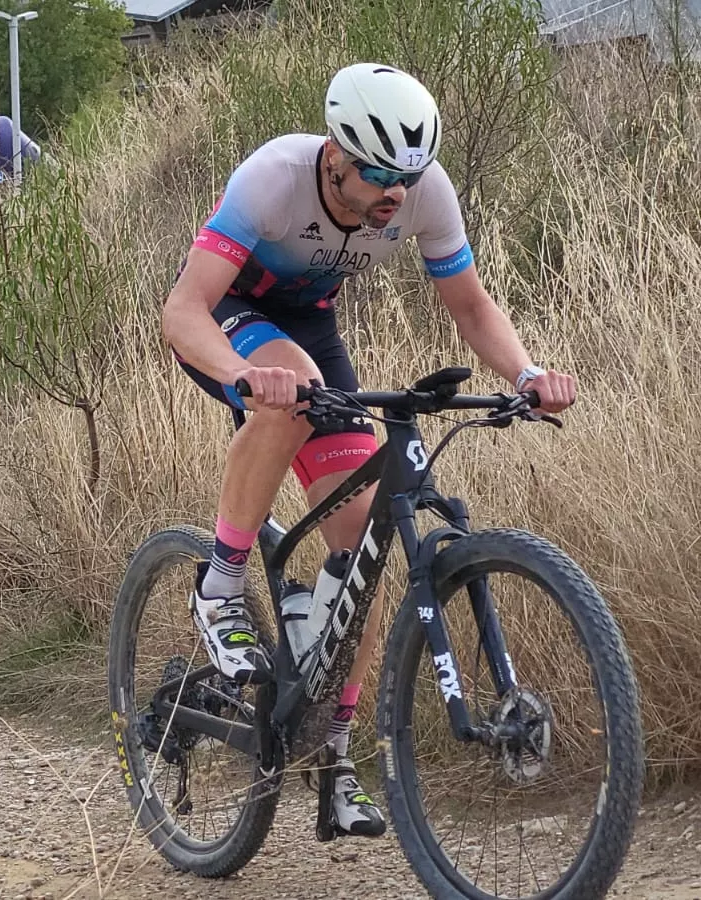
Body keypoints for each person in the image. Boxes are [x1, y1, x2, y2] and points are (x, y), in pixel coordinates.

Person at [160, 62, 577, 839]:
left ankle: (335, 757)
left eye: (407, 174)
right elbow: (183, 311)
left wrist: (525, 373)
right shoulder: (274, 178)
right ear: (334, 154)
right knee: (290, 385)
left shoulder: (425, 191)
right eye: (377, 172)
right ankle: (219, 585)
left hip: (308, 325)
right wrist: (244, 374)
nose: (394, 192)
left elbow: (471, 305)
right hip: (229, 316)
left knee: (364, 545)